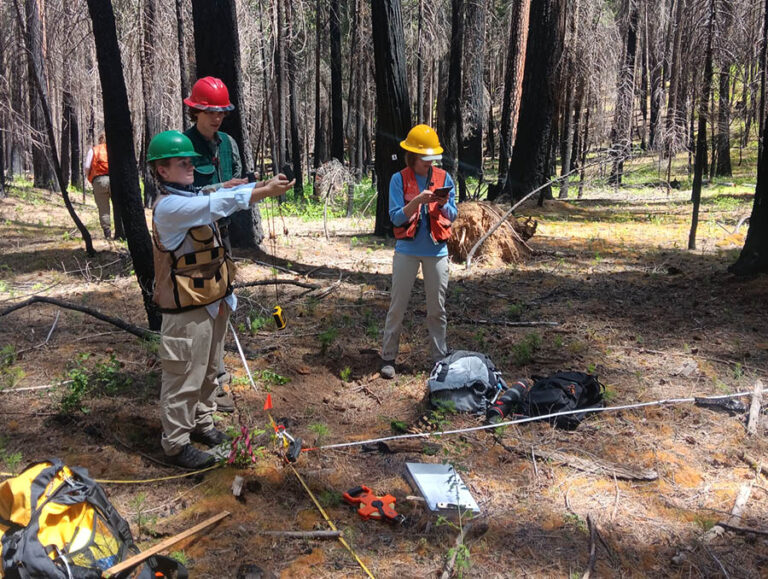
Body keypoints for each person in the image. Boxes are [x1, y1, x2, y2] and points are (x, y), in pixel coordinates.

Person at [147, 130, 293, 468]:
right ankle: (176, 444)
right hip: (185, 309)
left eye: (190, 161)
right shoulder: (170, 207)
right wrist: (262, 193)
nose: (189, 166)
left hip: (211, 301)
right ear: (161, 171)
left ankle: (203, 423)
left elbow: (212, 193)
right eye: (181, 162)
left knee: (210, 370)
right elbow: (212, 203)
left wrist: (249, 186)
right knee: (184, 375)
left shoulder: (189, 196)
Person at [183, 76, 246, 412]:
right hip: (194, 243)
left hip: (223, 238)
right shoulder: (183, 145)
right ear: (195, 111)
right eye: (209, 112)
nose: (216, 118)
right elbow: (182, 195)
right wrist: (221, 189)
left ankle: (217, 377)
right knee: (200, 311)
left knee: (222, 306)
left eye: (221, 112)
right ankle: (200, 384)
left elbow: (237, 183)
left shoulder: (229, 144)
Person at [380, 124, 458, 379]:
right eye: (426, 160)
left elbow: (453, 214)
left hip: (437, 252)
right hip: (406, 252)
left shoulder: (444, 178)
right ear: (413, 157)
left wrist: (444, 205)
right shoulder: (398, 179)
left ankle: (439, 359)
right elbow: (395, 218)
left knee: (437, 308)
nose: (430, 164)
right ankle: (388, 357)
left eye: (432, 159)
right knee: (397, 305)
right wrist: (416, 202)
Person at [84, 132, 113, 239]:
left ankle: (107, 232)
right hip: (114, 180)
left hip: (99, 181)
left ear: (100, 139)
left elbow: (87, 166)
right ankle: (122, 230)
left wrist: (89, 178)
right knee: (118, 206)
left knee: (103, 208)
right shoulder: (114, 150)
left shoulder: (94, 150)